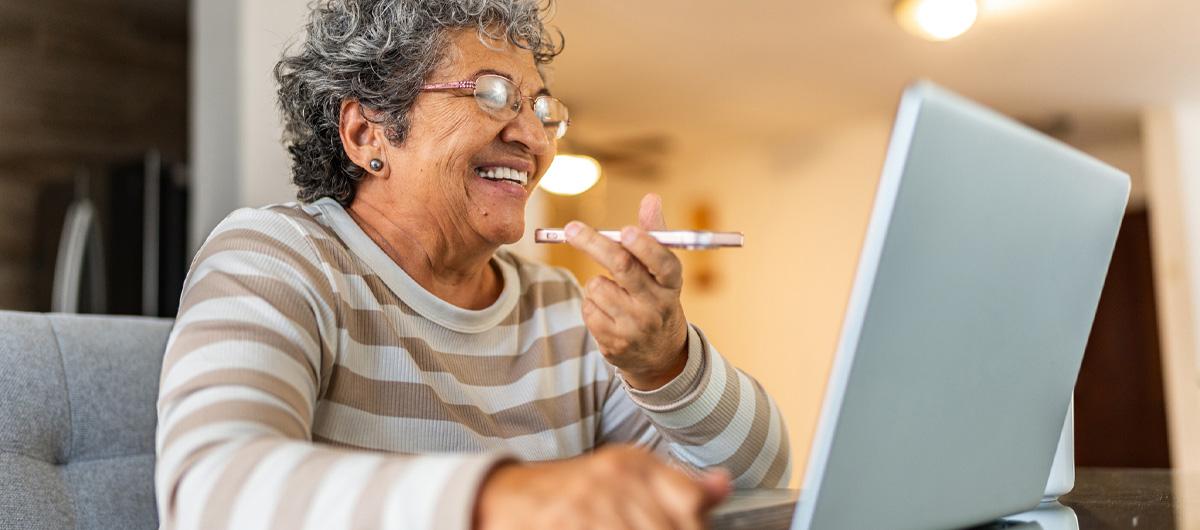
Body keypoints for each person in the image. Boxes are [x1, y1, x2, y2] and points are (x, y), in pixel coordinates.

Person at [154, 1, 791, 528]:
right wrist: (510, 498)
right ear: (367, 133)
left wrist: (667, 363)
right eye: (492, 95)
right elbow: (211, 492)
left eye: (543, 110)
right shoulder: (280, 257)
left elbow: (755, 479)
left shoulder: (561, 311)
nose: (535, 139)